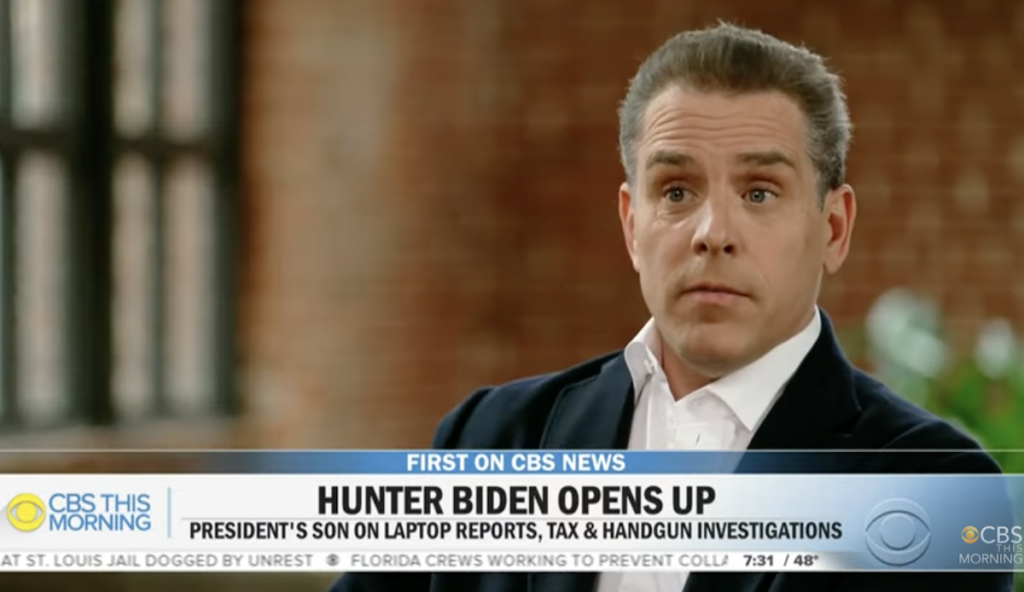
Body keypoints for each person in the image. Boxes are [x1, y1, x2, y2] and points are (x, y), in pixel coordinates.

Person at [332, 23, 1013, 592]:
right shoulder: (488, 439)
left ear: (833, 229)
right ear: (632, 225)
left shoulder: (936, 490)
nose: (712, 232)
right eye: (677, 191)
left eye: (759, 193)